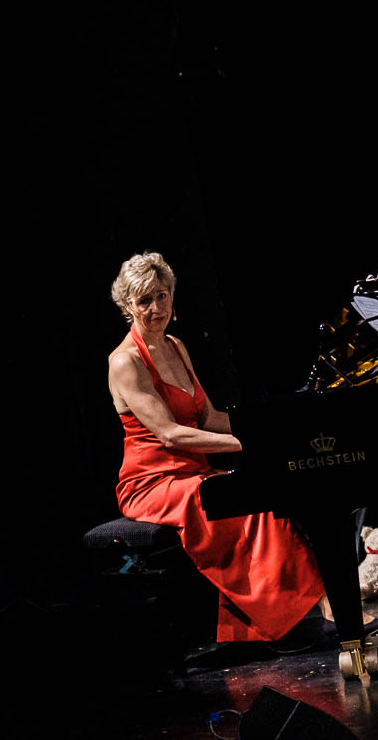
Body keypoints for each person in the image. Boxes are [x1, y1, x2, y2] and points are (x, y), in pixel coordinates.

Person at [107, 252, 325, 643]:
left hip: (192, 471)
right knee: (243, 504)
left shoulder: (175, 346)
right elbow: (171, 435)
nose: (156, 308)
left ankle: (261, 628)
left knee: (263, 495)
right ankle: (295, 620)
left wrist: (269, 428)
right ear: (128, 305)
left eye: (161, 296)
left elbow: (207, 417)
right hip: (152, 483)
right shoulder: (125, 362)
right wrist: (248, 443)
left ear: (172, 295)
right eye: (144, 300)